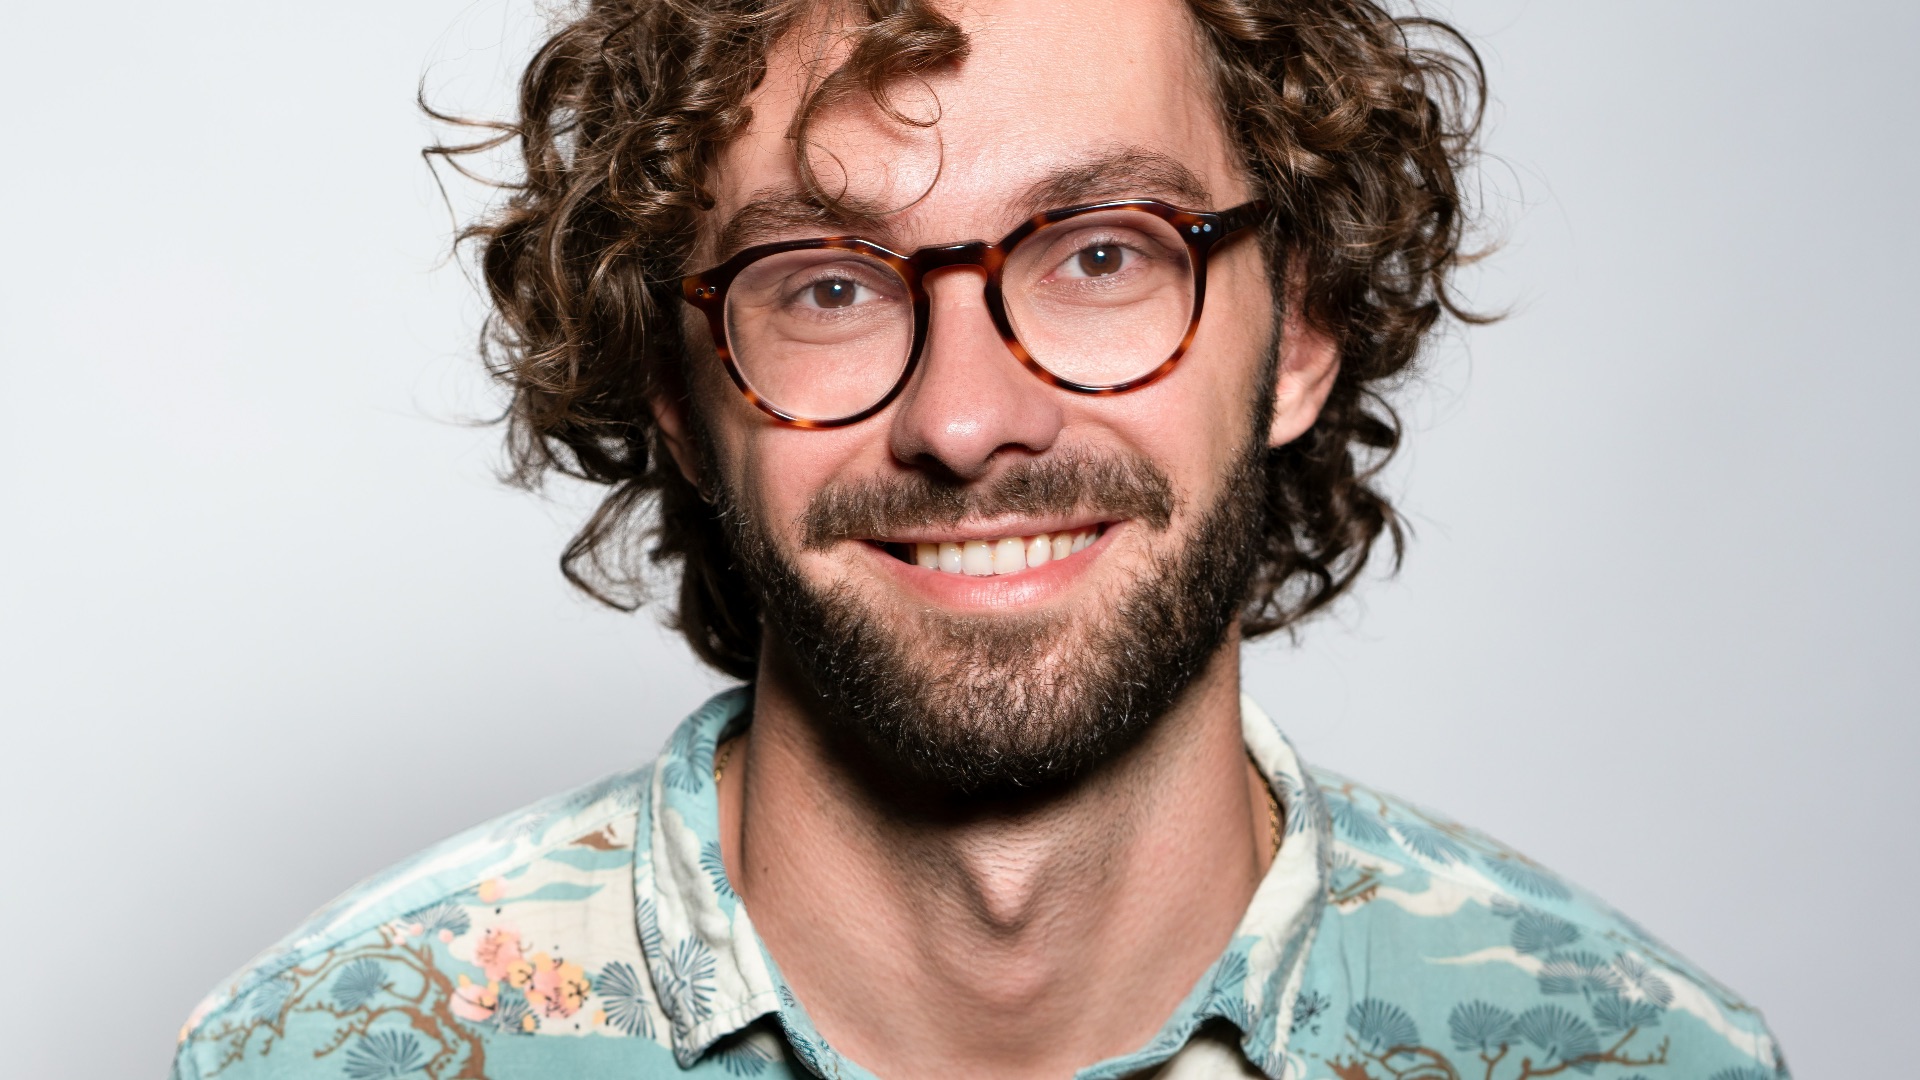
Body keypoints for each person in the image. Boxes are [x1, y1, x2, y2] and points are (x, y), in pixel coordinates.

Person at [170, 0, 1788, 1076]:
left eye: (1103, 254)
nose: (966, 419)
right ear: (675, 387)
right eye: (823, 281)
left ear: (1302, 329)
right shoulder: (326, 1054)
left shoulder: (1640, 1059)